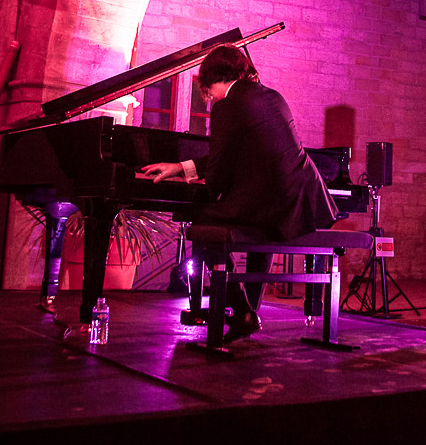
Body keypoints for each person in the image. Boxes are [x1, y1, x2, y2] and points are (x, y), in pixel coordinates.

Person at [142, 43, 337, 343]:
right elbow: (238, 155)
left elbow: (217, 178)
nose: (208, 99)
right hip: (298, 200)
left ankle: (241, 309)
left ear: (212, 81)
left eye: (207, 92)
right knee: (249, 228)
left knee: (201, 227)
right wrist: (180, 168)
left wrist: (203, 184)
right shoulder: (272, 96)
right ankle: (248, 309)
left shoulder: (227, 106)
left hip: (269, 204)